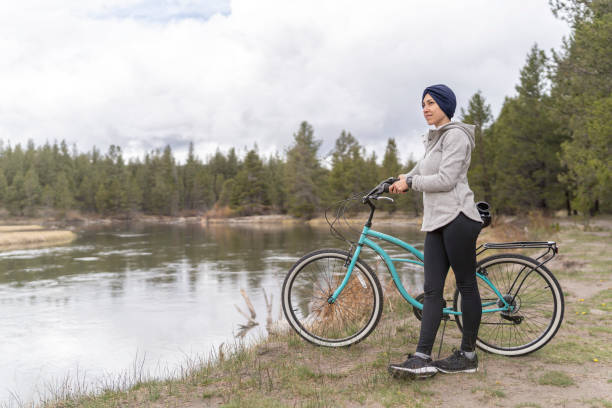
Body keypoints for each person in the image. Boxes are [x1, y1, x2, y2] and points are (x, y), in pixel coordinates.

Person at [387, 84, 483, 378]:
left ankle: (468, 355)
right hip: (436, 222)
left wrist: (411, 183)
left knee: (466, 285)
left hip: (457, 217)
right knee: (432, 291)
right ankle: (421, 357)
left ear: (445, 105)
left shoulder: (456, 136)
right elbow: (419, 171)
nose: (425, 108)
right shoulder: (435, 139)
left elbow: (445, 179)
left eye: (431, 103)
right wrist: (401, 178)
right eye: (423, 104)